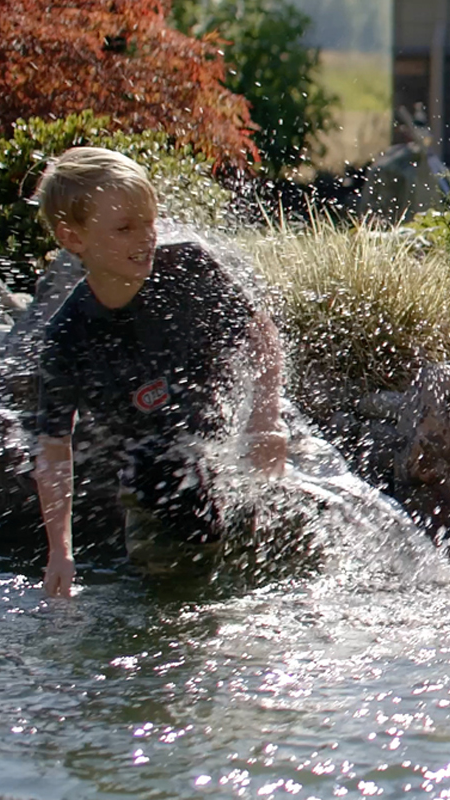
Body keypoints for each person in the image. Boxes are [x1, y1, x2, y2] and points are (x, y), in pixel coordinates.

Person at [31, 147, 288, 598]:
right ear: (74, 238)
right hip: (157, 483)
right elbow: (54, 450)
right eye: (125, 228)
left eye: (149, 222)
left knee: (275, 567)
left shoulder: (185, 268)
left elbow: (259, 334)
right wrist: (60, 551)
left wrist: (266, 416)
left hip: (237, 439)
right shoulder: (68, 338)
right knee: (174, 590)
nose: (145, 237)